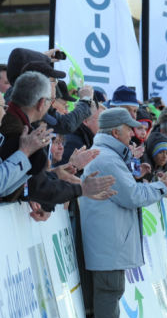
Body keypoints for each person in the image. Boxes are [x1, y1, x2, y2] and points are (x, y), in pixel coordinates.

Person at [80, 108, 167, 318]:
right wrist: (161, 187)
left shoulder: (108, 155)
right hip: (107, 237)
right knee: (109, 289)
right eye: (129, 129)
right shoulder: (107, 158)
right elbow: (133, 196)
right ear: (116, 131)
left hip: (109, 235)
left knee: (109, 289)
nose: (134, 134)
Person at [0, 72, 116, 213]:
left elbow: (27, 184)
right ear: (42, 103)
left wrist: (54, 174)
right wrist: (81, 189)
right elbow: (34, 187)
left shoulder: (25, 131)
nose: (5, 112)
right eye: (51, 101)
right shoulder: (19, 133)